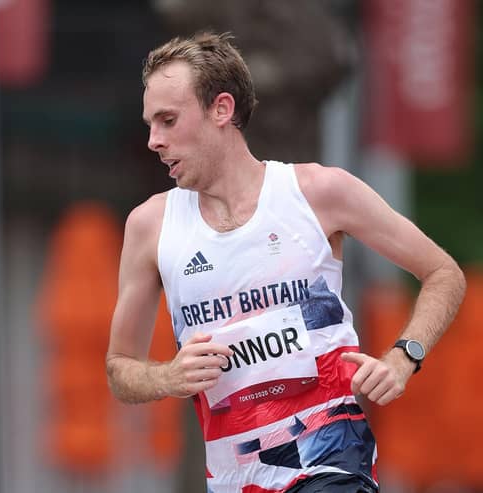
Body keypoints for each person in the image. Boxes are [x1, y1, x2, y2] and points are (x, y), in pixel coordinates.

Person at [106, 31, 466, 493]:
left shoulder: (317, 192)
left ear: (222, 109)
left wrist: (403, 357)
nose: (154, 140)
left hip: (331, 460)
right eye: (150, 124)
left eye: (168, 120)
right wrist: (168, 376)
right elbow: (119, 366)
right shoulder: (150, 226)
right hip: (236, 478)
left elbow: (442, 272)